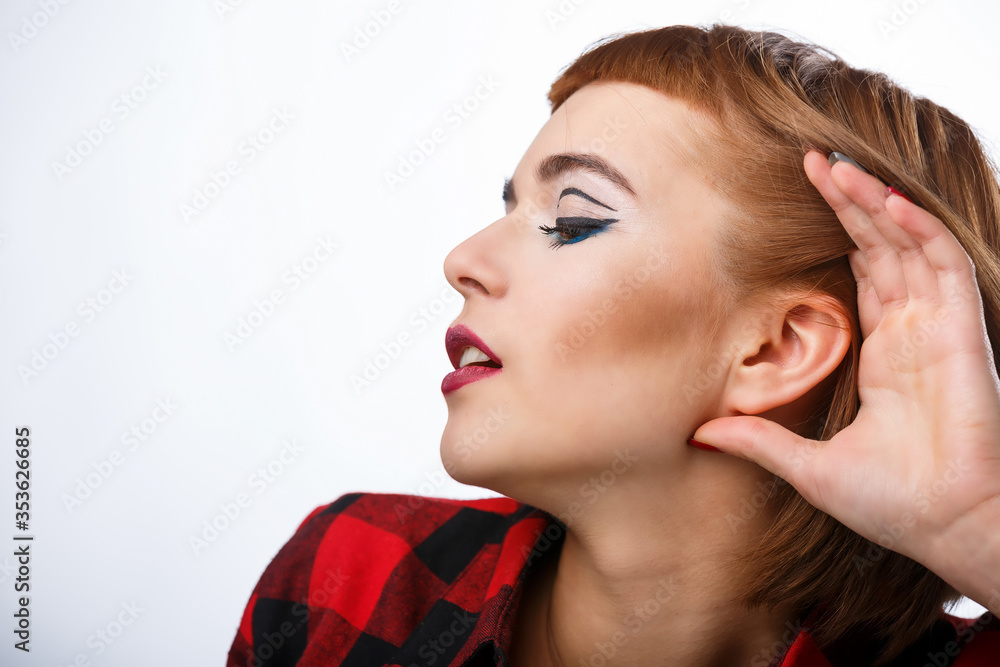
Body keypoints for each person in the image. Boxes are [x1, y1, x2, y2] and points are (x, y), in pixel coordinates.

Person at [226, 24, 1000, 667]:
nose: (462, 259)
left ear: (777, 348)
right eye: (507, 205)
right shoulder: (354, 579)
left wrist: (979, 524)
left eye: (570, 220)